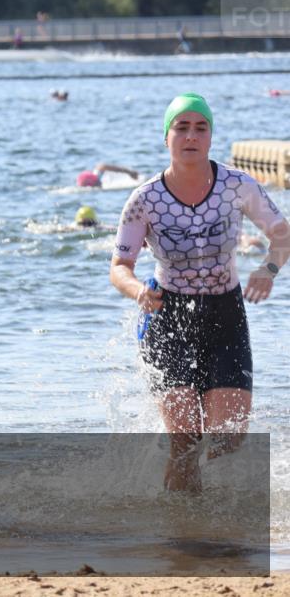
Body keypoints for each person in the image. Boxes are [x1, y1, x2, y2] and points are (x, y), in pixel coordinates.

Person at [109, 93, 290, 492]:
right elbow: (119, 268)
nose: (191, 135)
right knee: (186, 442)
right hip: (168, 316)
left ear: (210, 137)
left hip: (225, 314)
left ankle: (204, 517)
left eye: (200, 127)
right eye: (182, 127)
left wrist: (269, 269)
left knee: (228, 438)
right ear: (167, 137)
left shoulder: (237, 186)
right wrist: (138, 290)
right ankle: (181, 534)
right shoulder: (145, 200)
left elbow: (281, 232)